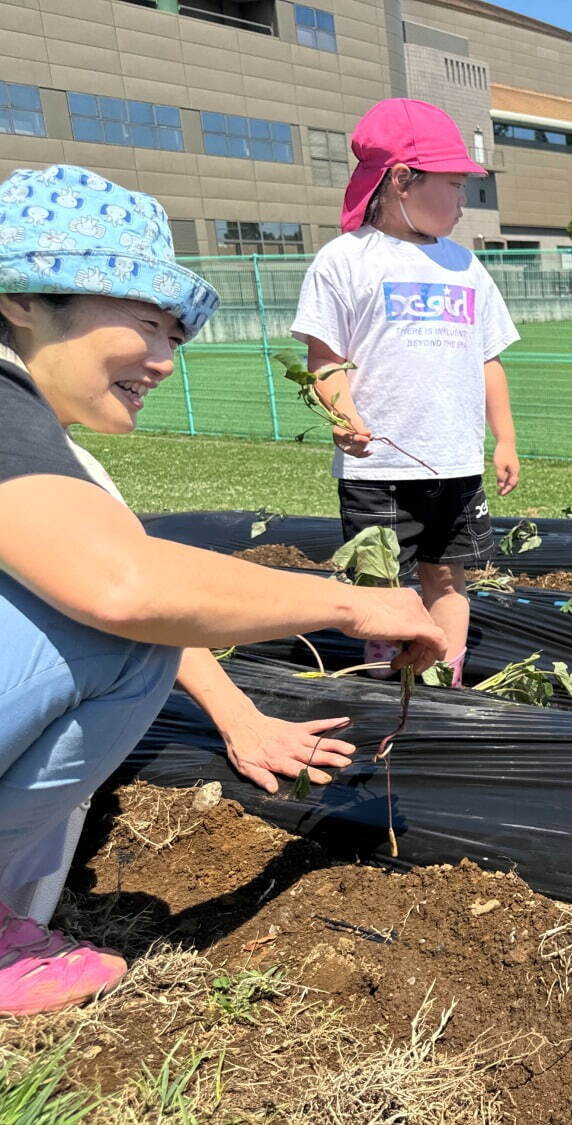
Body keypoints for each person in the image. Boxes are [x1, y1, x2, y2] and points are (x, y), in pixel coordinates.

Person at [0, 164, 447, 1015]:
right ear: (21, 298)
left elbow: (132, 585)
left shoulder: (41, 439)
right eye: (142, 321)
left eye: (175, 333)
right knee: (121, 626)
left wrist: (240, 716)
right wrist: (356, 602)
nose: (165, 360)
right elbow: (122, 590)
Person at [292, 98, 521, 686]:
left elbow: (488, 360)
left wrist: (505, 441)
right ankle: (387, 689)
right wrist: (342, 417)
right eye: (452, 184)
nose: (462, 199)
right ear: (400, 180)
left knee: (449, 579)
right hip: (381, 472)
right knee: (381, 588)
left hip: (455, 464)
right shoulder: (344, 261)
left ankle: (446, 684)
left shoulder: (466, 266)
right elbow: (324, 361)